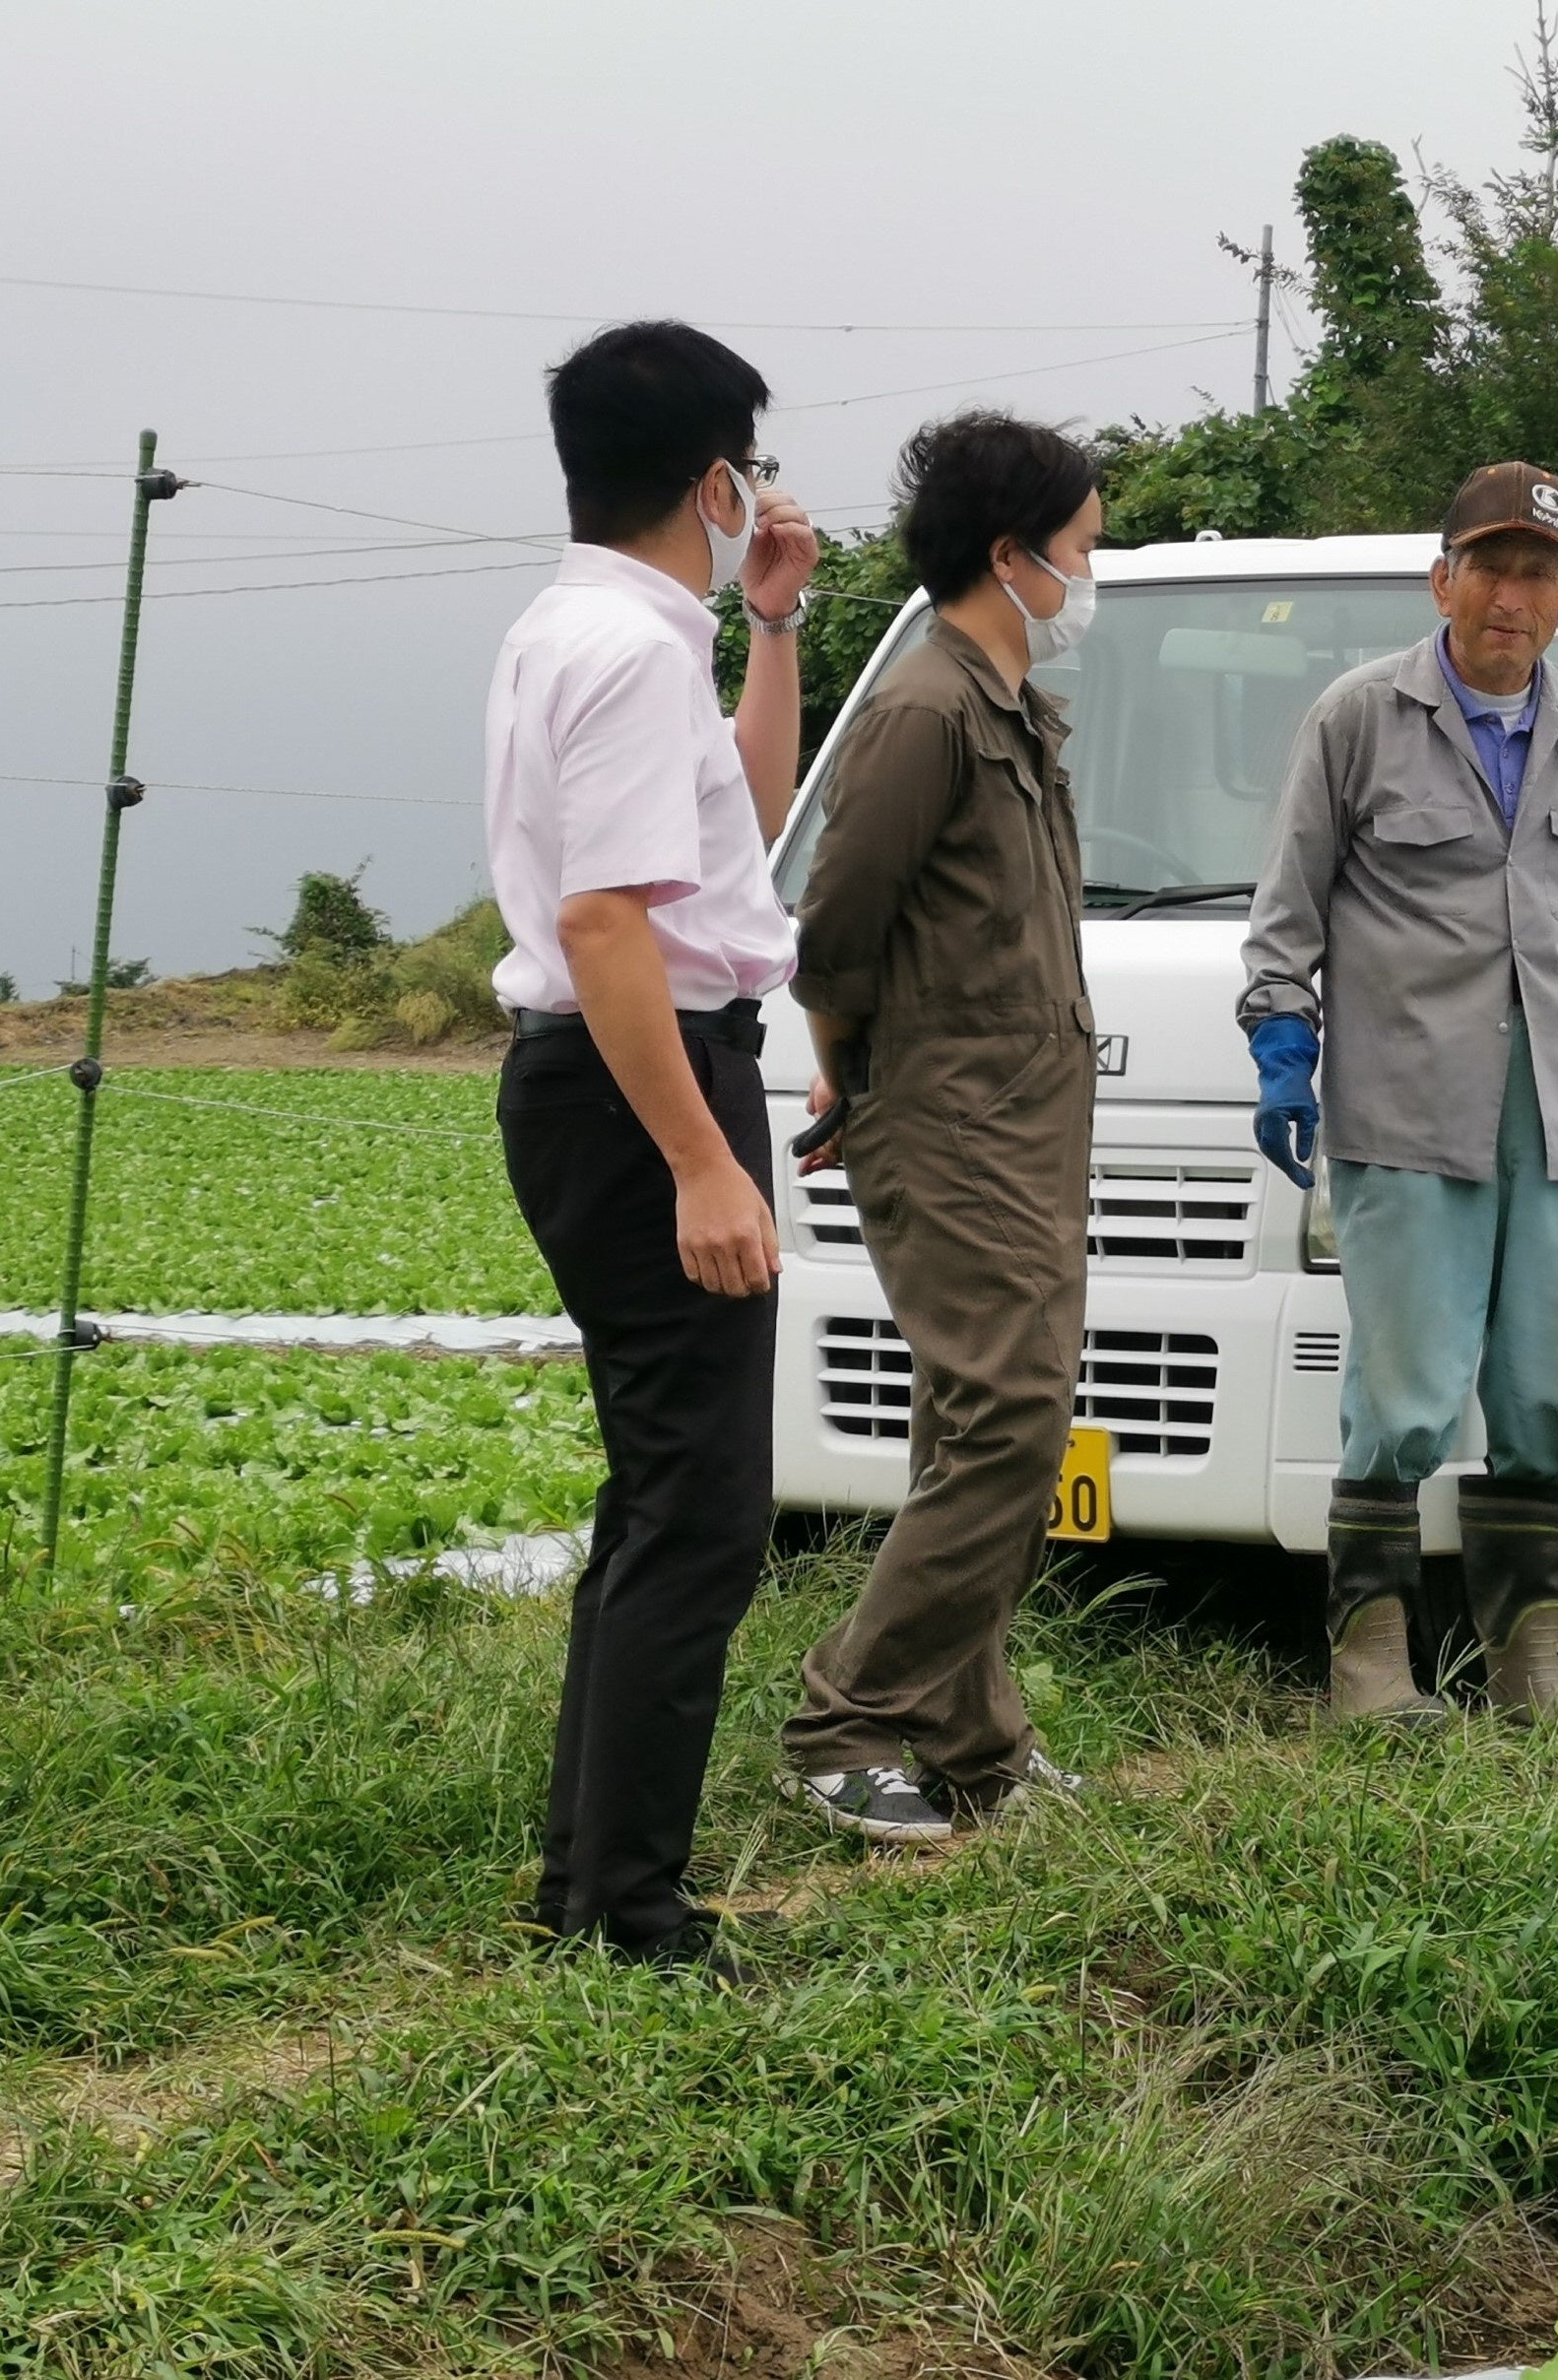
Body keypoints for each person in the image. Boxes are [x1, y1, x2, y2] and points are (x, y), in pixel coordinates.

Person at [1240, 462, 1558, 1728]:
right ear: (1442, 579)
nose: (1511, 594)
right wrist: (1283, 1039)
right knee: (1404, 1391)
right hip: (1403, 1114)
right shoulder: (1357, 717)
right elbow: (1285, 914)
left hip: (1553, 1116)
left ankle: (1529, 1666)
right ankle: (1370, 1670)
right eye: (1489, 567)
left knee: (1550, 1393)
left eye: (1538, 573)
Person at [486, 320, 819, 1978]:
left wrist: (772, 626)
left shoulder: (595, 628)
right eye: (745, 469)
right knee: (703, 1509)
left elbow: (729, 837)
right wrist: (701, 1160)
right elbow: (606, 921)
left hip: (614, 1072)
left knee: (660, 1495)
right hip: (644, 1078)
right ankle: (632, 1917)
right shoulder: (621, 652)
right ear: (713, 476)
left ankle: (593, 1884)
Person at [775, 413, 1102, 1844]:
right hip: (951, 1120)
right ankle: (847, 1717)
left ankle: (971, 1741)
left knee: (968, 1422)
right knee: (1016, 1428)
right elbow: (834, 925)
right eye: (1084, 548)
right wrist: (853, 1075)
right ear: (1010, 554)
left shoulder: (1011, 703)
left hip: (1022, 1121)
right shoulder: (923, 709)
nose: (1091, 574)